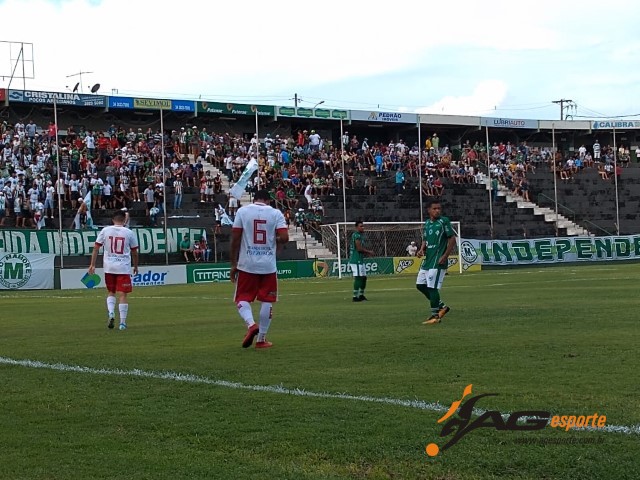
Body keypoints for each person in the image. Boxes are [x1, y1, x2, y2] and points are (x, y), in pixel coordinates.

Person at [230, 189, 288, 349]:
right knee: (267, 300)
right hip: (268, 265)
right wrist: (272, 239)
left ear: (254, 199)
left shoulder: (243, 211)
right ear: (268, 201)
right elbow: (284, 238)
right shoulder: (276, 213)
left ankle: (251, 325)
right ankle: (261, 339)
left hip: (247, 263)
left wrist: (234, 264)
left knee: (242, 298)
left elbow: (235, 239)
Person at [88, 210, 139, 330]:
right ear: (124, 220)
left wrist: (92, 264)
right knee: (123, 295)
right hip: (123, 267)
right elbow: (134, 252)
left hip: (109, 267)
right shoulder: (129, 233)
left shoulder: (105, 230)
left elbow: (96, 248)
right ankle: (122, 323)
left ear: (112, 219)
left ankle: (111, 313)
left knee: (111, 292)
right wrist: (135, 266)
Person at [416, 199, 457, 325]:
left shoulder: (443, 221)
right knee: (420, 285)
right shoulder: (427, 223)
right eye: (434, 208)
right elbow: (425, 239)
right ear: (429, 210)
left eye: (439, 208)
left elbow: (452, 239)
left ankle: (435, 316)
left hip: (438, 261)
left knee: (432, 288)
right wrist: (421, 249)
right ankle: (442, 307)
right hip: (428, 260)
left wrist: (445, 256)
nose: (437, 211)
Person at [349, 221, 374, 302]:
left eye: (363, 226)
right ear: (356, 227)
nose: (363, 227)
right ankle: (355, 297)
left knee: (363, 278)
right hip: (356, 260)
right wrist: (369, 252)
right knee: (358, 277)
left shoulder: (360, 235)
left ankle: (361, 295)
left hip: (360, 259)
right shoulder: (356, 235)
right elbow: (359, 249)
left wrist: (366, 253)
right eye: (361, 226)